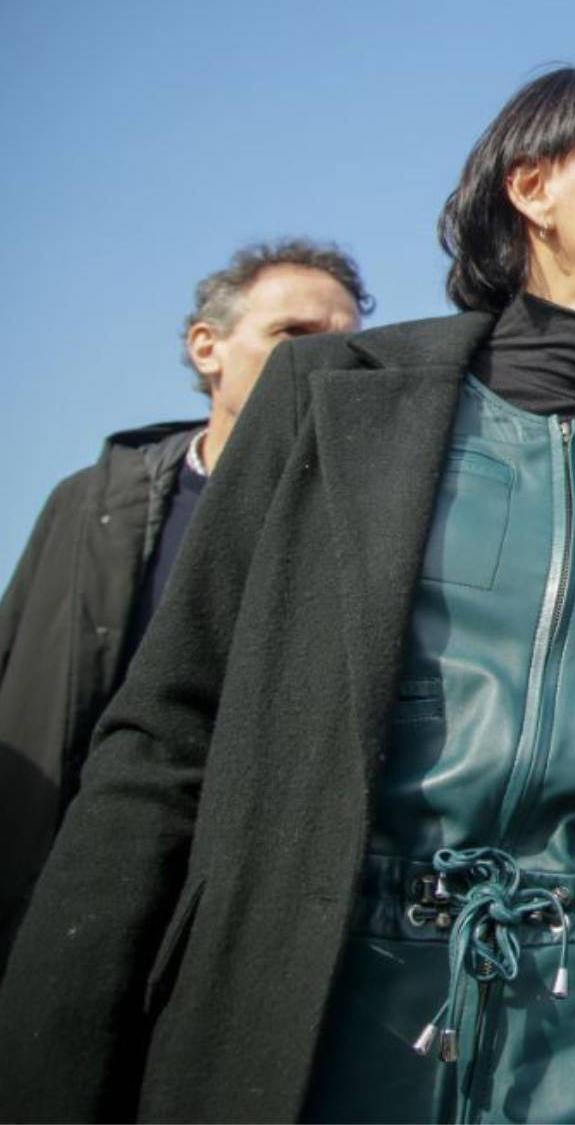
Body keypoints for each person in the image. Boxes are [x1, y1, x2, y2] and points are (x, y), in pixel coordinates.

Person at [0, 54, 575, 1123]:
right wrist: (49, 1063)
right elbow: (166, 741)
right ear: (532, 187)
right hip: (326, 1024)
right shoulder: (328, 407)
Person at [0, 239, 368, 966]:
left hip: (232, 915)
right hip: (52, 885)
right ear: (209, 347)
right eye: (292, 335)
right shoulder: (90, 504)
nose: (322, 362)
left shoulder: (363, 521)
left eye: (345, 346)